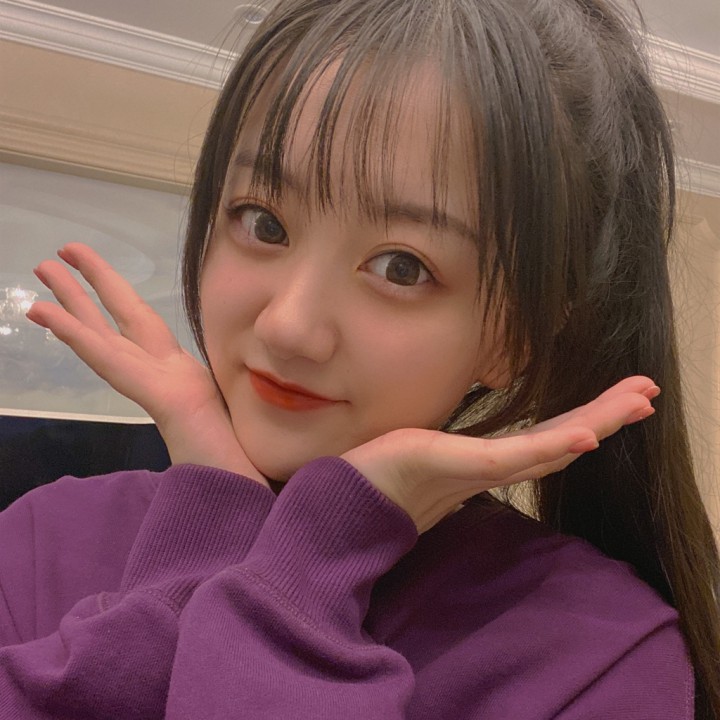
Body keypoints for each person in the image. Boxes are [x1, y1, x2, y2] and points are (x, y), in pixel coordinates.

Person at [1, 0, 718, 716]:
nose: (289, 327)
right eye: (264, 222)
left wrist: (313, 567)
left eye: (402, 267)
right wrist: (211, 521)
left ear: (514, 338)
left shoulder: (597, 658)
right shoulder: (41, 538)